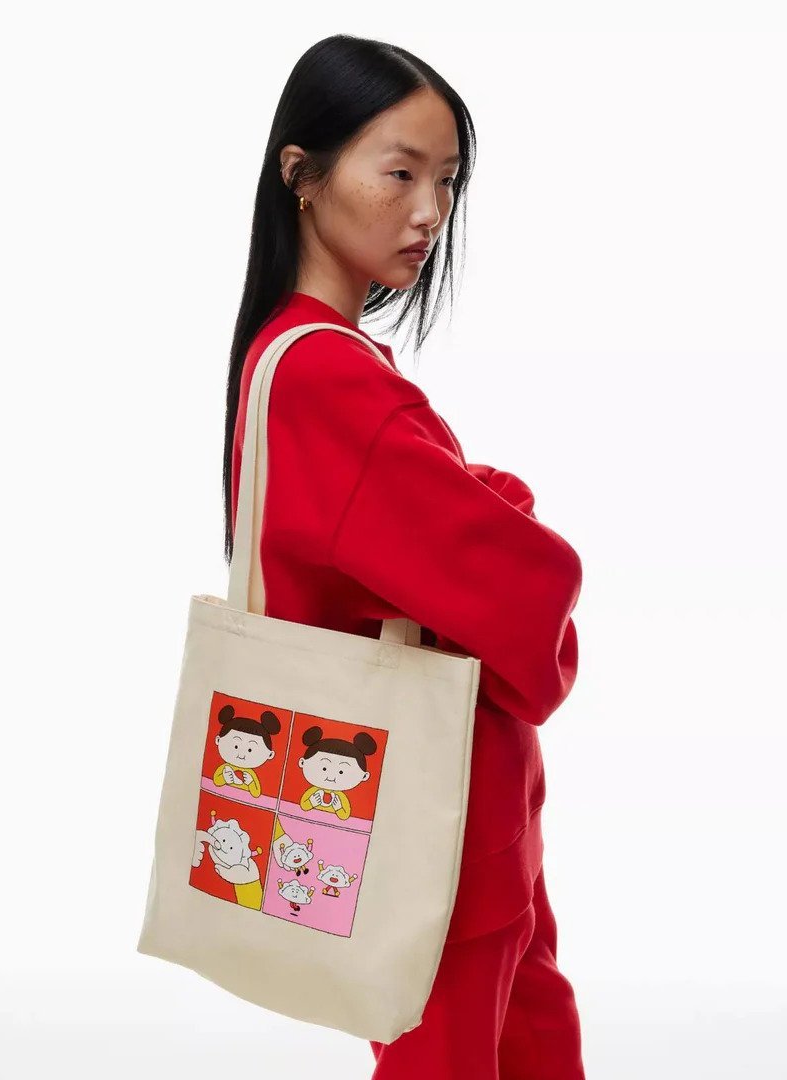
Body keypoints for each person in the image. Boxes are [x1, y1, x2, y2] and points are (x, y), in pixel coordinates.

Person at [223, 33, 586, 1080]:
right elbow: (528, 586)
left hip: (431, 819)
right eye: (400, 174)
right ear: (302, 175)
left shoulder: (286, 358)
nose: (430, 211)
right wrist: (505, 502)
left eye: (448, 180)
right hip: (441, 828)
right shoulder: (333, 383)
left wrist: (477, 504)